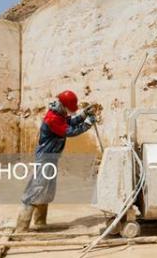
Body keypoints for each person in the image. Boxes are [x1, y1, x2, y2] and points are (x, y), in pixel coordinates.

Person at [15, 90, 97, 232]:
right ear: (64, 106)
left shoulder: (59, 113)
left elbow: (69, 121)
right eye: (70, 108)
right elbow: (69, 131)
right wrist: (87, 124)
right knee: (36, 189)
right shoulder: (52, 118)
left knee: (46, 190)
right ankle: (21, 227)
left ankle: (40, 222)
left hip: (51, 158)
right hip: (45, 158)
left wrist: (83, 115)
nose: (71, 112)